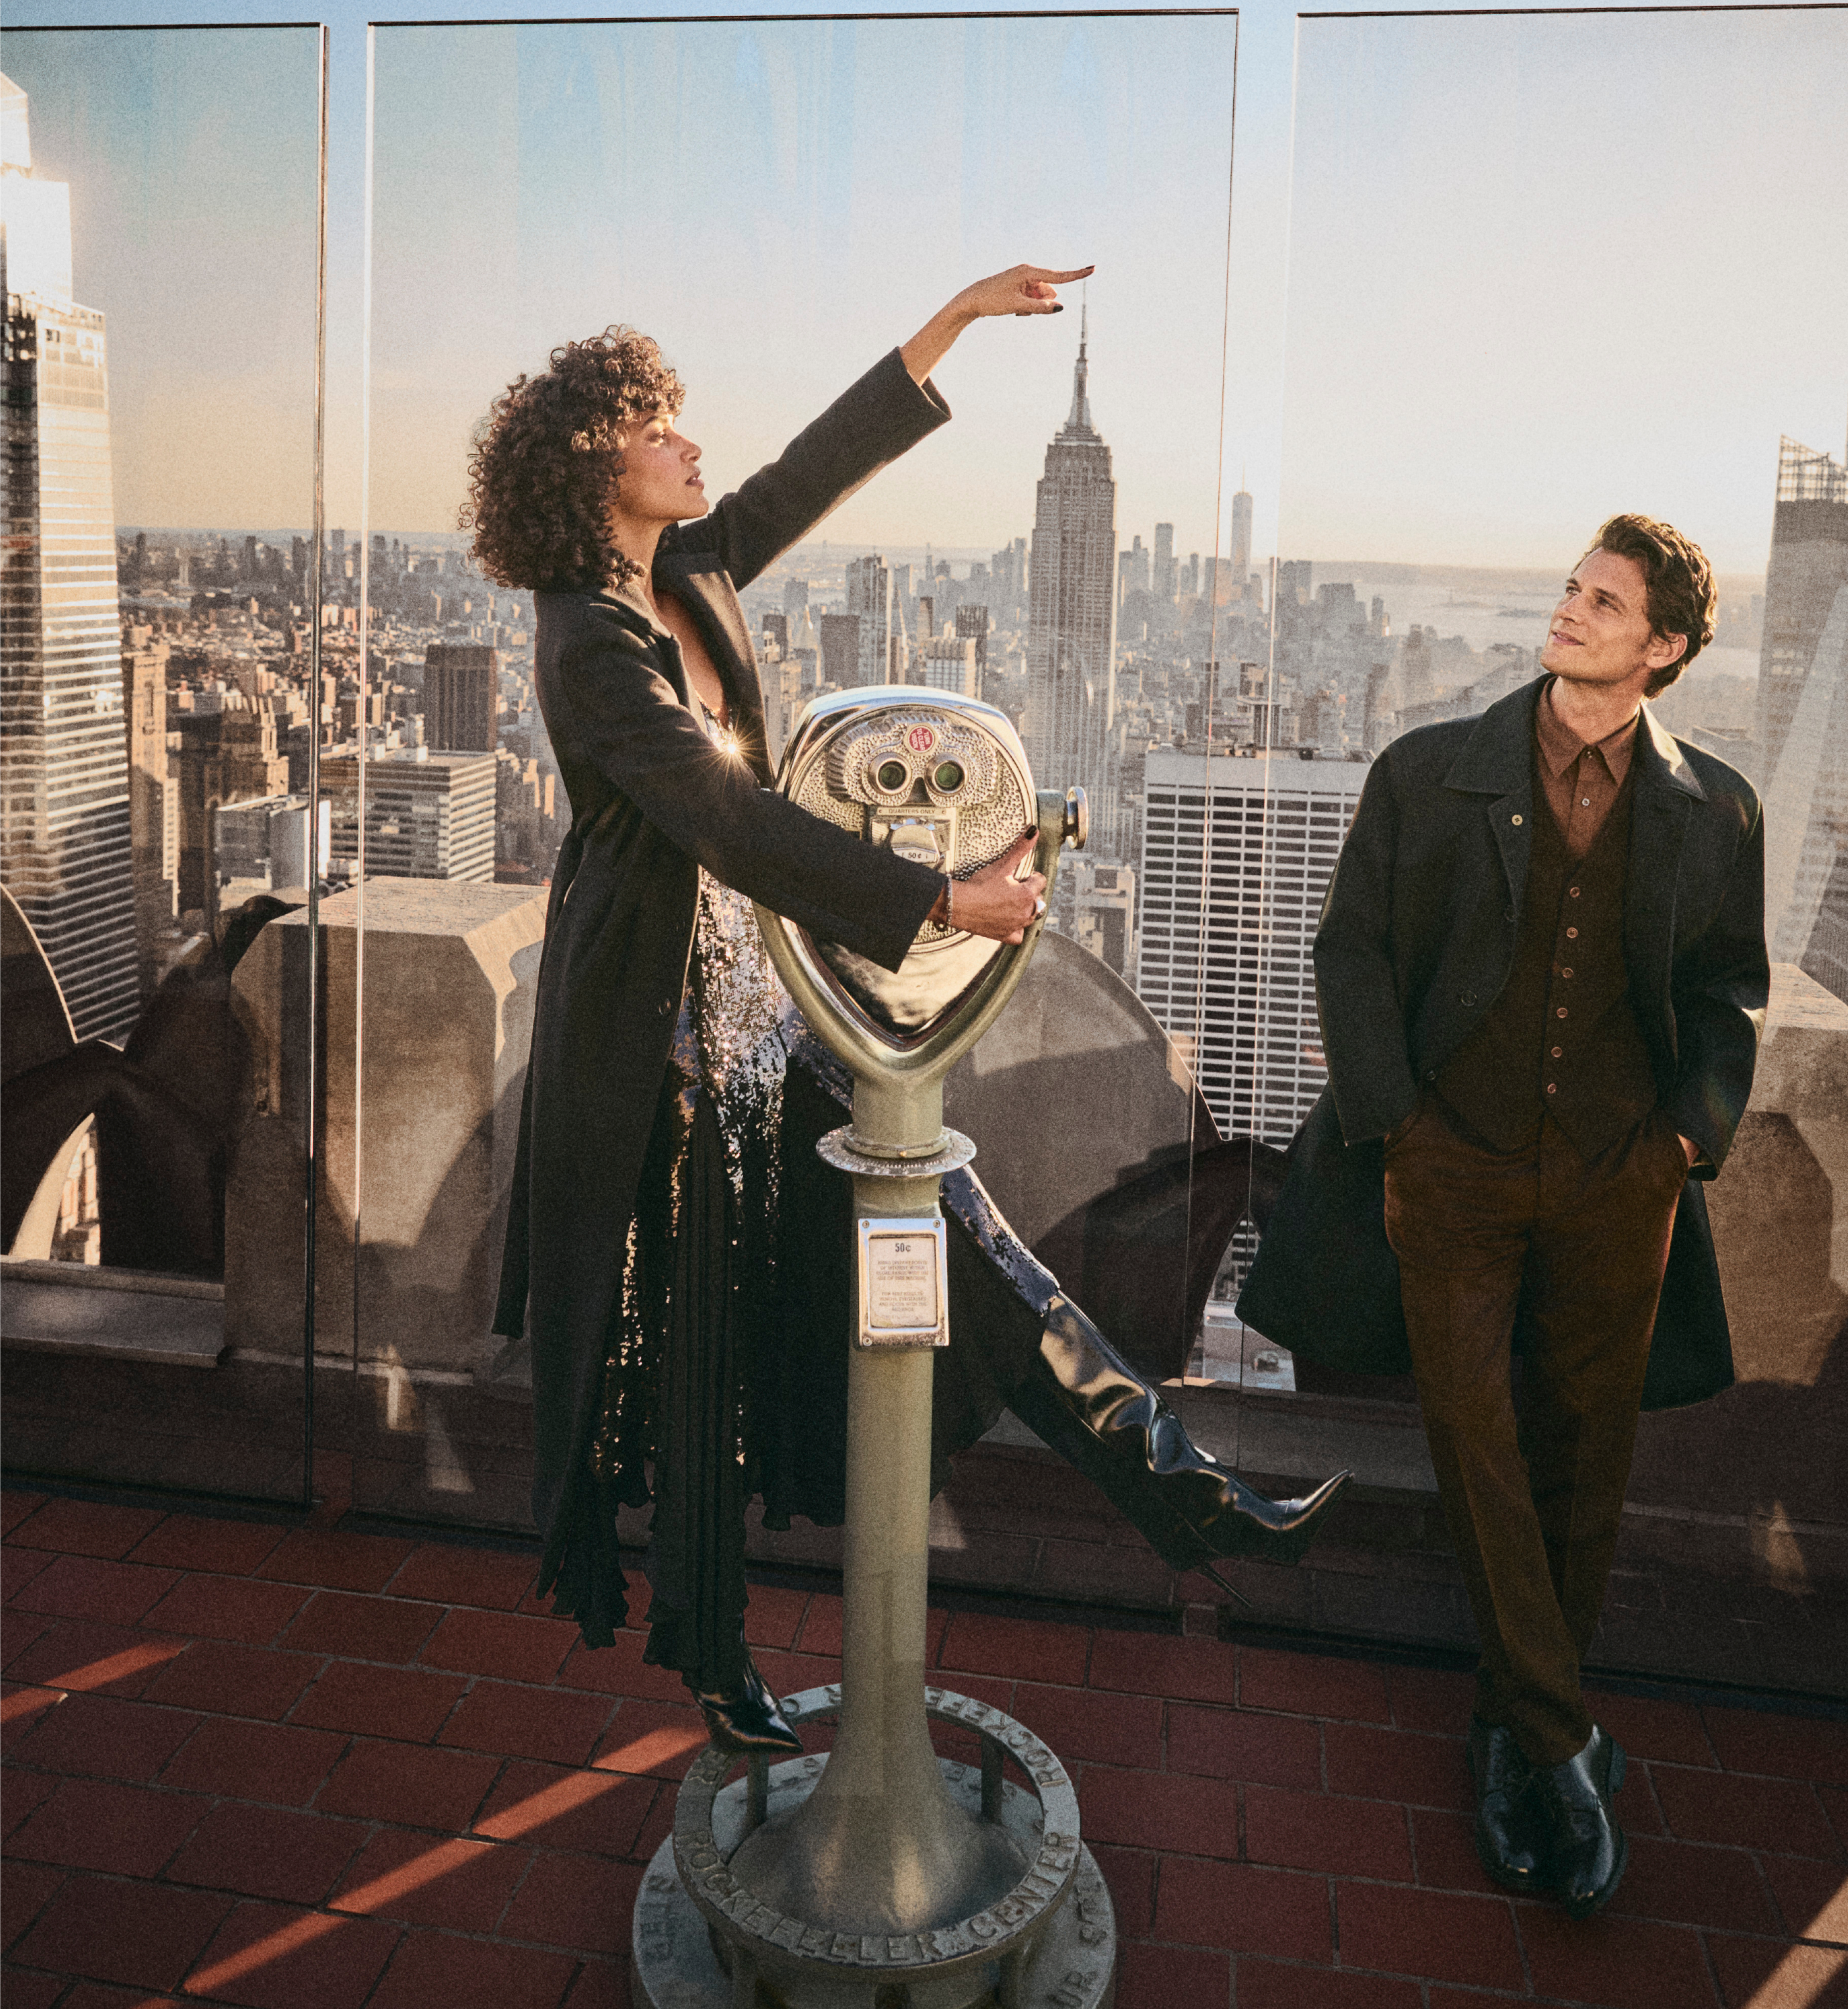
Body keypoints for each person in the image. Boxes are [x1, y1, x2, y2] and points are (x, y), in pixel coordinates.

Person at [472, 268, 1350, 1757]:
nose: (691, 444)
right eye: (659, 426)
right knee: (704, 1360)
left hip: (756, 1000)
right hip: (659, 1045)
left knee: (959, 1230)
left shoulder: (680, 570)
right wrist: (949, 902)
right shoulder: (586, 641)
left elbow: (801, 474)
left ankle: (1193, 1500)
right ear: (589, 463)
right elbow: (728, 824)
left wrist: (942, 332)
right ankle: (714, 1655)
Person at [1240, 515, 1767, 1917]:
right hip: (1449, 1171)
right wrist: (1401, 1130)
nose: (1570, 611)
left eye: (1606, 603)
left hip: (1621, 1183)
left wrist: (1680, 1141)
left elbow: (1729, 994)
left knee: (1584, 1458)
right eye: (1571, 590)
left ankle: (1512, 1726)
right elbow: (1349, 949)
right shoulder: (1429, 772)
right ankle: (1561, 1739)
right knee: (1475, 1434)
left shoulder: (1718, 806)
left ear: (1662, 650)